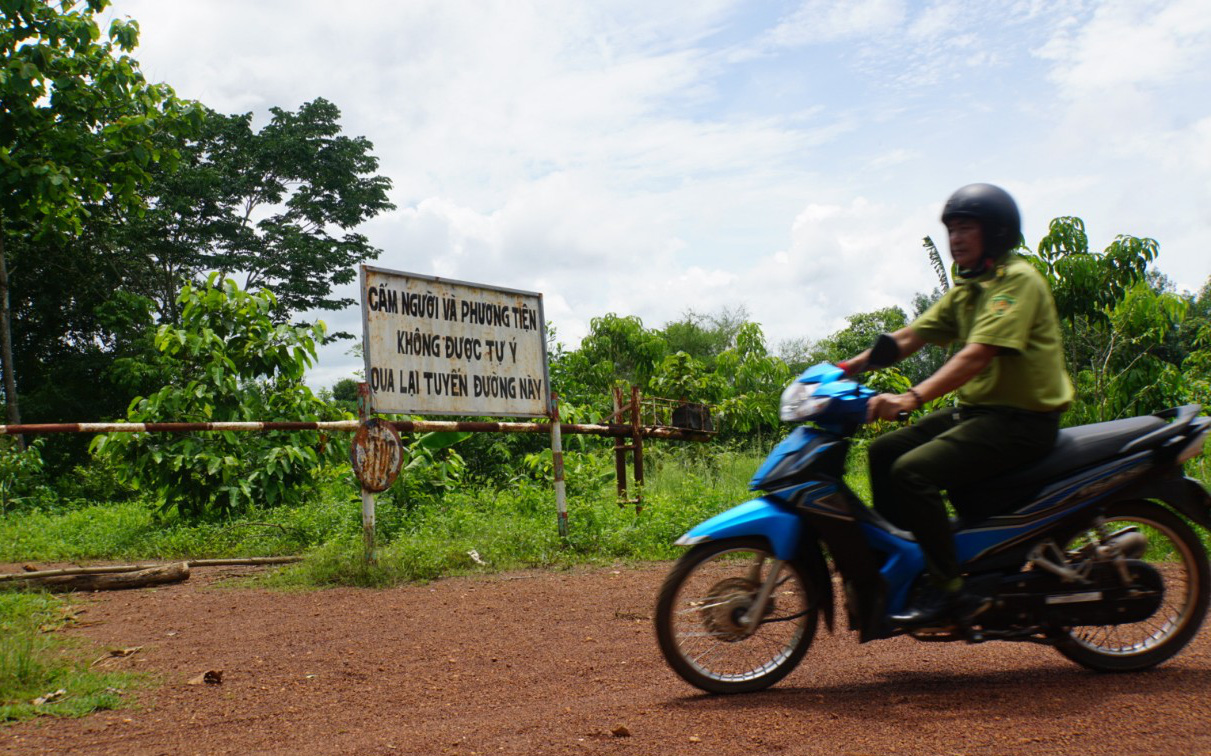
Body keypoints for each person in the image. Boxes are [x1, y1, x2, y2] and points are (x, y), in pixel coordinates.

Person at [839, 183, 1074, 628]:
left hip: (1022, 421)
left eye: (967, 228)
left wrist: (911, 397)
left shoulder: (1015, 282)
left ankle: (948, 589)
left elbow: (976, 354)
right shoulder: (970, 289)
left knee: (913, 472)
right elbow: (911, 336)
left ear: (997, 233)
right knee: (883, 452)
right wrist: (848, 367)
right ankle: (905, 567)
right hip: (983, 413)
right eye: (952, 229)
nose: (956, 239)